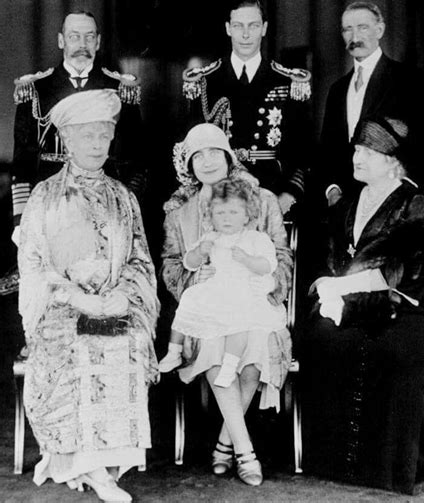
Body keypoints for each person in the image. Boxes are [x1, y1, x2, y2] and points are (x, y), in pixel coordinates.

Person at [298, 116, 424, 494]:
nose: (356, 157)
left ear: (392, 160)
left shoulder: (417, 203)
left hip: (420, 303)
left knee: (394, 350)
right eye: (357, 149)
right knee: (324, 338)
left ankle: (392, 466)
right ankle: (338, 463)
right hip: (359, 301)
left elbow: (408, 270)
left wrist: (341, 285)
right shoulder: (348, 202)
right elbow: (331, 258)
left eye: (368, 151)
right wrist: (327, 285)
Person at [17, 89, 160, 502]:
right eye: (87, 137)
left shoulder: (123, 196)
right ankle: (89, 467)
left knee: (129, 339)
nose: (97, 145)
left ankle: (108, 462)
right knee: (79, 345)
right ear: (67, 141)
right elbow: (33, 266)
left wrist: (125, 296)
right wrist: (76, 298)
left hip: (114, 303)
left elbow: (139, 260)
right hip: (62, 309)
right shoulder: (45, 196)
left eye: (104, 136)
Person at [161, 123, 292, 486]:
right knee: (216, 351)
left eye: (213, 152)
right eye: (196, 156)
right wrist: (192, 278)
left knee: (255, 351)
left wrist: (263, 284)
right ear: (188, 165)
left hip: (254, 302)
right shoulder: (179, 211)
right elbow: (172, 264)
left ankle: (223, 444)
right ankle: (246, 453)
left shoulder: (261, 199)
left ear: (228, 155)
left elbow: (281, 255)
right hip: (208, 310)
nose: (206, 162)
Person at [11, 10, 147, 238]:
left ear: (98, 41)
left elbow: (136, 160)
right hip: (50, 206)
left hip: (106, 208)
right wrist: (20, 219)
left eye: (89, 37)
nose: (82, 44)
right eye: (74, 36)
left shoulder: (120, 88)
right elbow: (22, 162)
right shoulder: (36, 89)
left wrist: (126, 211)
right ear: (61, 40)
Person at [182, 0, 312, 216]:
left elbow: (303, 149)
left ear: (264, 28)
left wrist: (288, 196)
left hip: (273, 194)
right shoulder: (205, 81)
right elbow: (191, 148)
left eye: (253, 26)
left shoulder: (286, 81)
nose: (245, 34)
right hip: (218, 196)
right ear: (227, 28)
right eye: (238, 25)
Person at [159, 177, 286, 389]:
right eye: (220, 213)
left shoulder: (255, 238)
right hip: (217, 288)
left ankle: (230, 365)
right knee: (189, 298)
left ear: (246, 215)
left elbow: (268, 265)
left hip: (244, 291)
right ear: (211, 216)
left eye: (233, 213)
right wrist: (199, 252)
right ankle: (174, 351)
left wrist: (248, 260)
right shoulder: (212, 237)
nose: (226, 219)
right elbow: (189, 264)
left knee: (240, 322)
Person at [320, 1, 424, 206]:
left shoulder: (409, 80)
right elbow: (328, 150)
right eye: (347, 29)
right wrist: (332, 190)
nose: (355, 37)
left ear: (380, 30)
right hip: (346, 206)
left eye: (363, 27)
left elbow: (421, 145)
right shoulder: (337, 90)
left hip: (395, 203)